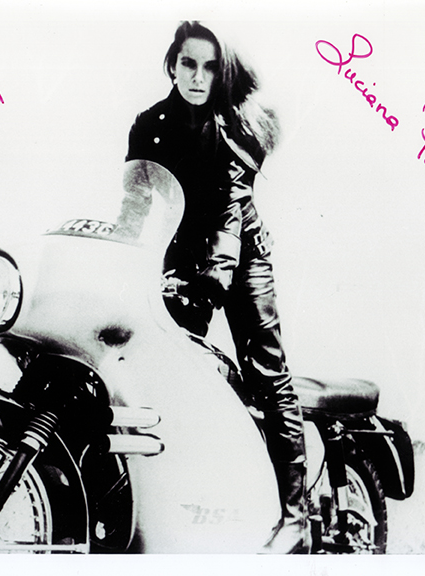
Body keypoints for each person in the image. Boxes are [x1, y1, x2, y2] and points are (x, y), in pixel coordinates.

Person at [125, 21, 307, 554]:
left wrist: (218, 272)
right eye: (188, 63)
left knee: (267, 371)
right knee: (162, 369)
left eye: (209, 67)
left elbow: (230, 206)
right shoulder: (149, 124)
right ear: (172, 64)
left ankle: (295, 517)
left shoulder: (233, 126)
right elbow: (135, 203)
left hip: (241, 254)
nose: (198, 77)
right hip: (181, 254)